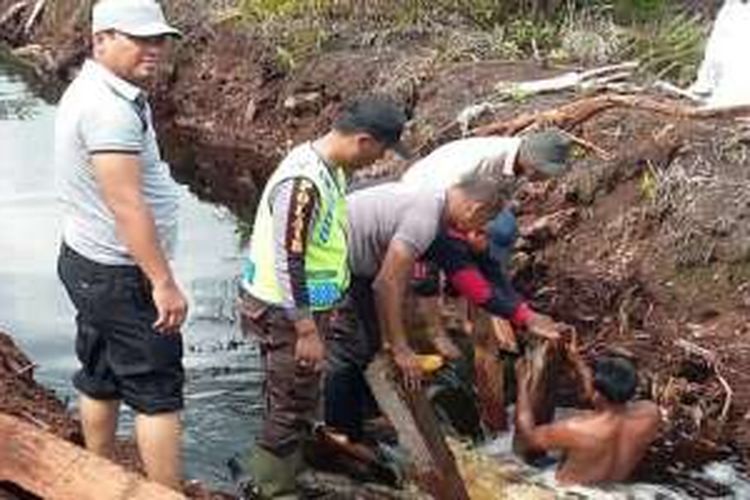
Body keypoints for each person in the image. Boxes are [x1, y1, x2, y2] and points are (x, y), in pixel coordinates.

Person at [238, 95, 409, 498]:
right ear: (364, 140)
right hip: (288, 314)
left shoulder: (329, 168)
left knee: (295, 397)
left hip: (308, 309)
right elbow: (289, 259)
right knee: (290, 405)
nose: (378, 161)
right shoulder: (303, 183)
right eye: (381, 151)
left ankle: (286, 472)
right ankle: (273, 490)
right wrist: (306, 329)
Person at [55, 0, 185, 491]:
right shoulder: (108, 109)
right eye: (139, 38)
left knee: (102, 371)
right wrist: (163, 282)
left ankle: (98, 474)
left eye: (158, 38)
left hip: (89, 261)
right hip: (119, 272)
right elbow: (126, 204)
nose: (153, 48)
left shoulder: (110, 92)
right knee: (158, 390)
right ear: (101, 39)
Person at [325, 175, 506, 443]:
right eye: (483, 222)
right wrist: (401, 348)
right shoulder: (425, 219)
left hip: (353, 265)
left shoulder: (434, 203)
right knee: (346, 345)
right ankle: (339, 432)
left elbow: (384, 281)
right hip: (323, 263)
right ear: (474, 209)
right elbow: (387, 285)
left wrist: (390, 340)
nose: (476, 230)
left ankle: (365, 418)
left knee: (369, 340)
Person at [514, 338, 661, 486]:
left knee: (512, 463)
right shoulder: (651, 414)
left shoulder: (577, 429)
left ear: (598, 394)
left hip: (564, 493)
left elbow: (527, 439)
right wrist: (579, 364)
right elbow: (608, 402)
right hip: (610, 492)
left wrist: (522, 385)